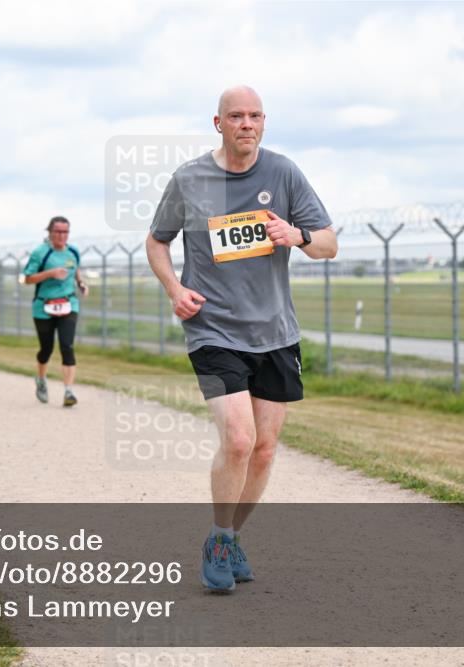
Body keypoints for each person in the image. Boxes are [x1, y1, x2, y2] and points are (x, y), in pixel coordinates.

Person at [146, 85, 337, 592]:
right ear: (218, 123)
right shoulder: (190, 179)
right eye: (236, 116)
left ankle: (228, 538)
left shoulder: (284, 172)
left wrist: (297, 236)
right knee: (238, 439)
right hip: (212, 328)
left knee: (266, 449)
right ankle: (218, 538)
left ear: (264, 123)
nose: (246, 124)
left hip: (274, 331)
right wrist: (174, 288)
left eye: (254, 116)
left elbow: (329, 243)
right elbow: (157, 241)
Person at [23, 215, 89, 407]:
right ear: (50, 233)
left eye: (65, 232)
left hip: (69, 304)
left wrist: (82, 284)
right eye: (58, 232)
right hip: (43, 307)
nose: (62, 235)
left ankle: (69, 391)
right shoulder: (40, 253)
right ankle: (41, 380)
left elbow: (75, 271)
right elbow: (27, 278)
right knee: (47, 349)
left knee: (67, 346)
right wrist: (50, 274)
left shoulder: (73, 252)